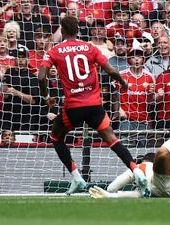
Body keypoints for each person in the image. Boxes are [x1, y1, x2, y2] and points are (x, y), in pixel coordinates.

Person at [37, 15, 151, 196]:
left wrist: (46, 97)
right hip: (95, 106)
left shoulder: (55, 50)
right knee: (112, 140)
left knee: (56, 138)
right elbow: (111, 70)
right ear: (78, 30)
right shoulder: (90, 47)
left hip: (73, 107)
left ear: (63, 31)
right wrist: (122, 83)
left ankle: (76, 177)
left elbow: (41, 76)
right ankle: (136, 170)